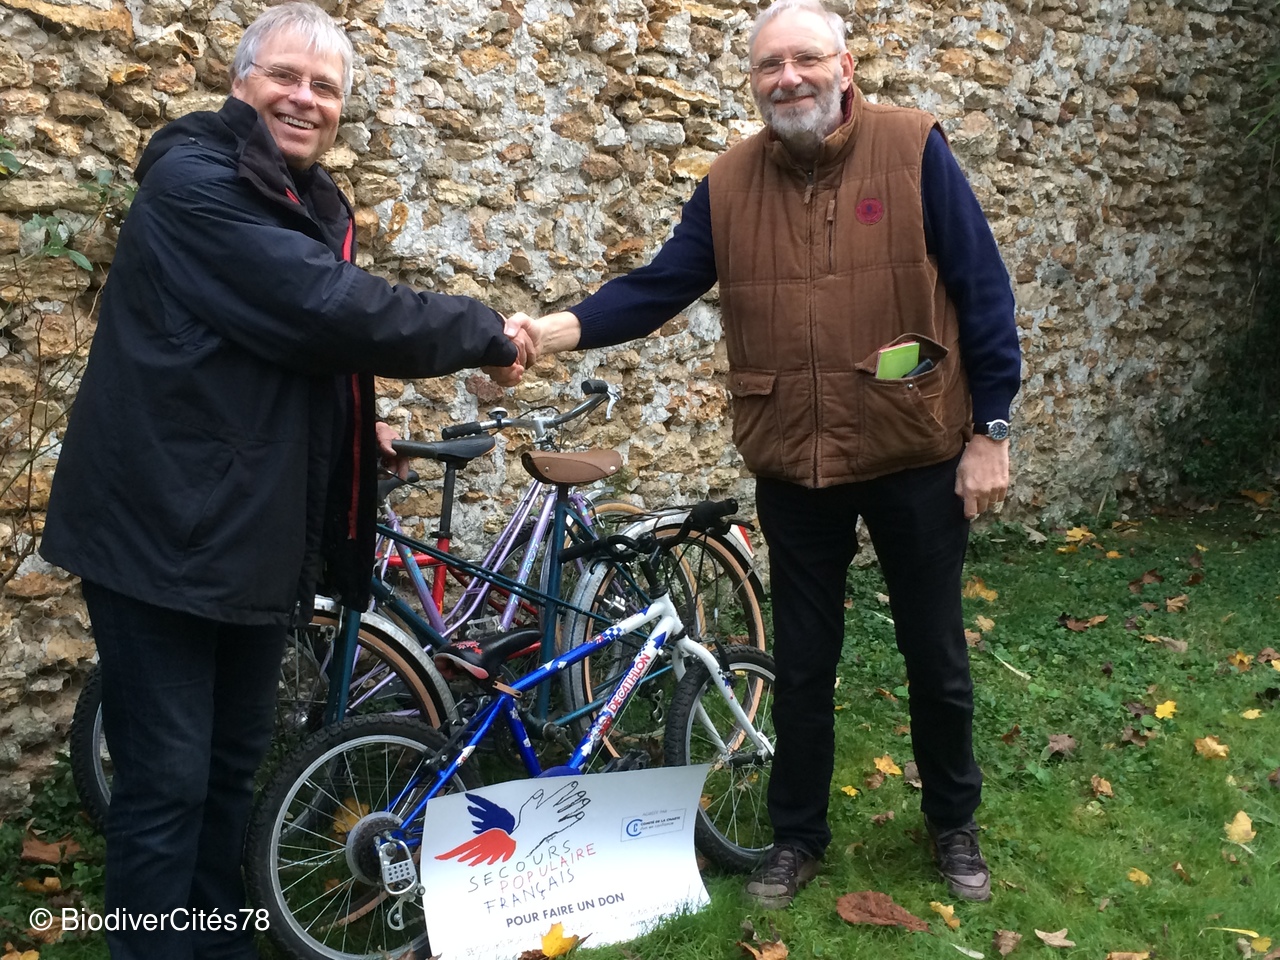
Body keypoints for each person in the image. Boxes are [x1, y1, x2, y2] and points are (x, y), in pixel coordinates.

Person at [38, 4, 530, 957]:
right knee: (166, 781)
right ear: (241, 84)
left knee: (230, 768)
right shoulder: (195, 183)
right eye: (285, 77)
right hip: (159, 532)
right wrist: (483, 329)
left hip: (248, 536)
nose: (305, 99)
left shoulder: (302, 198)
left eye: (325, 88)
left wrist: (355, 428)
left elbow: (269, 354)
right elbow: (319, 307)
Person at [521, 0, 1020, 909]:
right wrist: (550, 333)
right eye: (768, 66)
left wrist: (990, 431)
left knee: (936, 657)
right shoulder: (729, 182)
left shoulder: (913, 148)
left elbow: (983, 289)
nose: (787, 78)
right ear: (753, 81)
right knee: (800, 665)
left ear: (844, 66)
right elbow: (658, 287)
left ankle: (953, 822)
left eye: (805, 59)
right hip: (795, 460)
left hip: (913, 446)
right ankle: (796, 838)